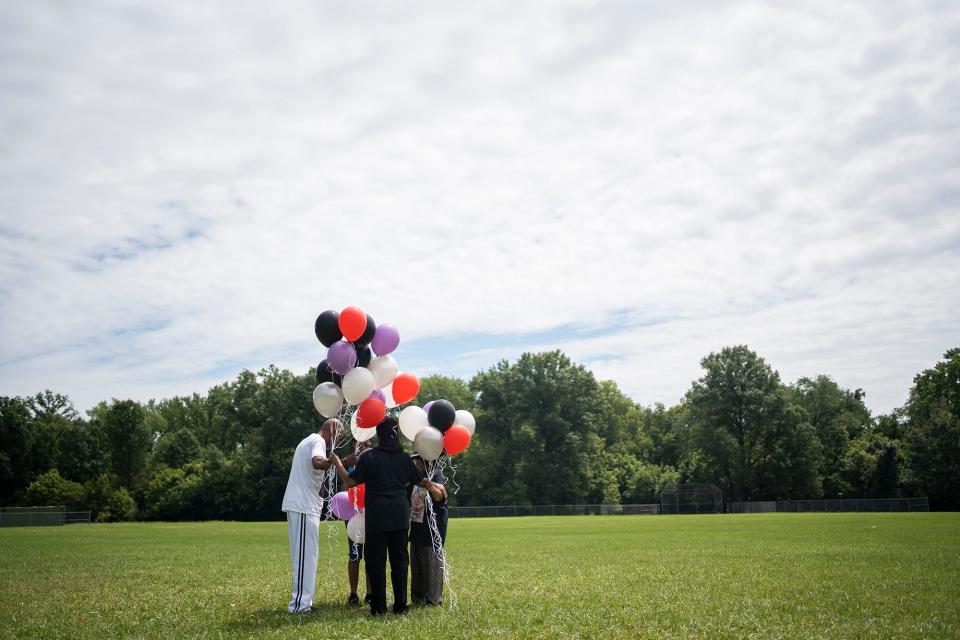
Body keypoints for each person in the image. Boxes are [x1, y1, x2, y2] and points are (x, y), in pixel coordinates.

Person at [331, 417, 439, 616]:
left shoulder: (369, 458)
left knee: (376, 563)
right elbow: (418, 481)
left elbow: (351, 481)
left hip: (377, 518)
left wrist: (338, 463)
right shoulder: (404, 458)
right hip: (399, 516)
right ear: (396, 435)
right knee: (400, 563)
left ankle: (378, 607)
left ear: (378, 436)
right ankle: (400, 606)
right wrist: (433, 484)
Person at [280, 418, 336, 614]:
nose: (334, 442)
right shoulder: (317, 441)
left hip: (304, 505)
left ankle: (304, 602)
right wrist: (336, 462)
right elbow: (317, 461)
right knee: (306, 557)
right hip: (303, 506)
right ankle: (299, 605)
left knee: (307, 556)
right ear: (331, 431)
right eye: (338, 436)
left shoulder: (309, 440)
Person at [408, 453, 448, 606]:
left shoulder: (436, 475)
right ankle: (418, 598)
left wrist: (429, 485)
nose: (416, 463)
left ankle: (433, 598)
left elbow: (439, 497)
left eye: (418, 460)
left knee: (431, 563)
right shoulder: (415, 477)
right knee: (417, 563)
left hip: (432, 527)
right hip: (417, 526)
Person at [342, 438, 372, 605]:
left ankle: (370, 593)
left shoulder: (374, 458)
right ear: (353, 443)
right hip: (353, 515)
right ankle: (353, 594)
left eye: (366, 443)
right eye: (359, 442)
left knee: (371, 555)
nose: (363, 445)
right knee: (354, 555)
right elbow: (344, 486)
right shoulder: (349, 461)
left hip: (372, 512)